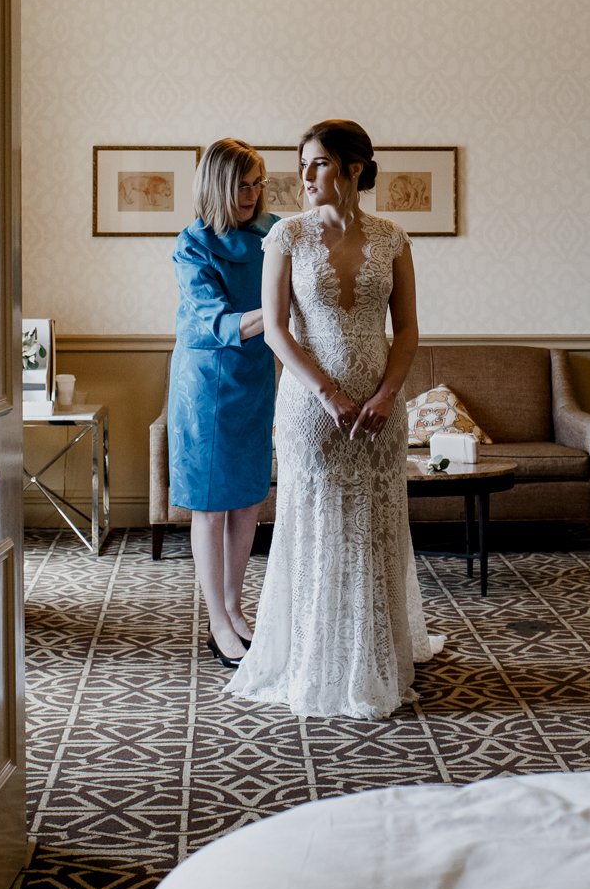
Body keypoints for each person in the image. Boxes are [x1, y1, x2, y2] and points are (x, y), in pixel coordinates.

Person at [226, 120, 444, 719]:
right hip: (308, 411)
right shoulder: (287, 238)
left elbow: (408, 331)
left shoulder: (394, 239)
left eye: (318, 163)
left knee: (375, 526)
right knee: (317, 526)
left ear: (353, 168)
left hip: (380, 411)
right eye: (302, 163)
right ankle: (315, 659)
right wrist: (327, 394)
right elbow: (274, 328)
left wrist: (387, 395)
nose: (304, 176)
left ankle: (377, 656)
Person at [167, 139, 279, 668]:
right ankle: (216, 621)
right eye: (242, 184)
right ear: (217, 185)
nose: (253, 195)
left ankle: (236, 609)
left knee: (249, 501)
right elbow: (214, 320)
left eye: (258, 184)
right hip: (207, 385)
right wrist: (277, 313)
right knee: (212, 507)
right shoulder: (192, 245)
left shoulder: (273, 232)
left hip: (255, 378)